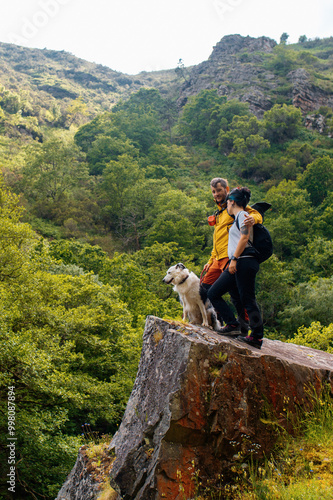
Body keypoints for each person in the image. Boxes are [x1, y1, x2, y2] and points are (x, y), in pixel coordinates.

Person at [201, 178, 262, 334]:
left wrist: (252, 219)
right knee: (205, 288)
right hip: (217, 259)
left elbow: (256, 215)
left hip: (231, 257)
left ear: (226, 189)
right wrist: (210, 260)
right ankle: (223, 321)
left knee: (236, 295)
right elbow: (217, 240)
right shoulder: (221, 212)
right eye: (214, 192)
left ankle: (241, 325)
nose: (216, 194)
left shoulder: (234, 206)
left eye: (219, 190)